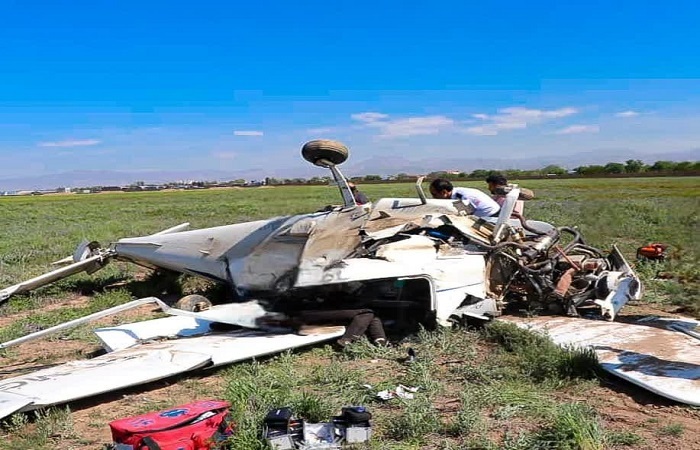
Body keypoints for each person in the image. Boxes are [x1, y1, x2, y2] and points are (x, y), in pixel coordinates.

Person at [429, 178, 500, 218]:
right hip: (487, 214)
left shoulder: (461, 198)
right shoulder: (456, 193)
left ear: (444, 192)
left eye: (434, 194)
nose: (433, 197)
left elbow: (466, 216)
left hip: (491, 215)